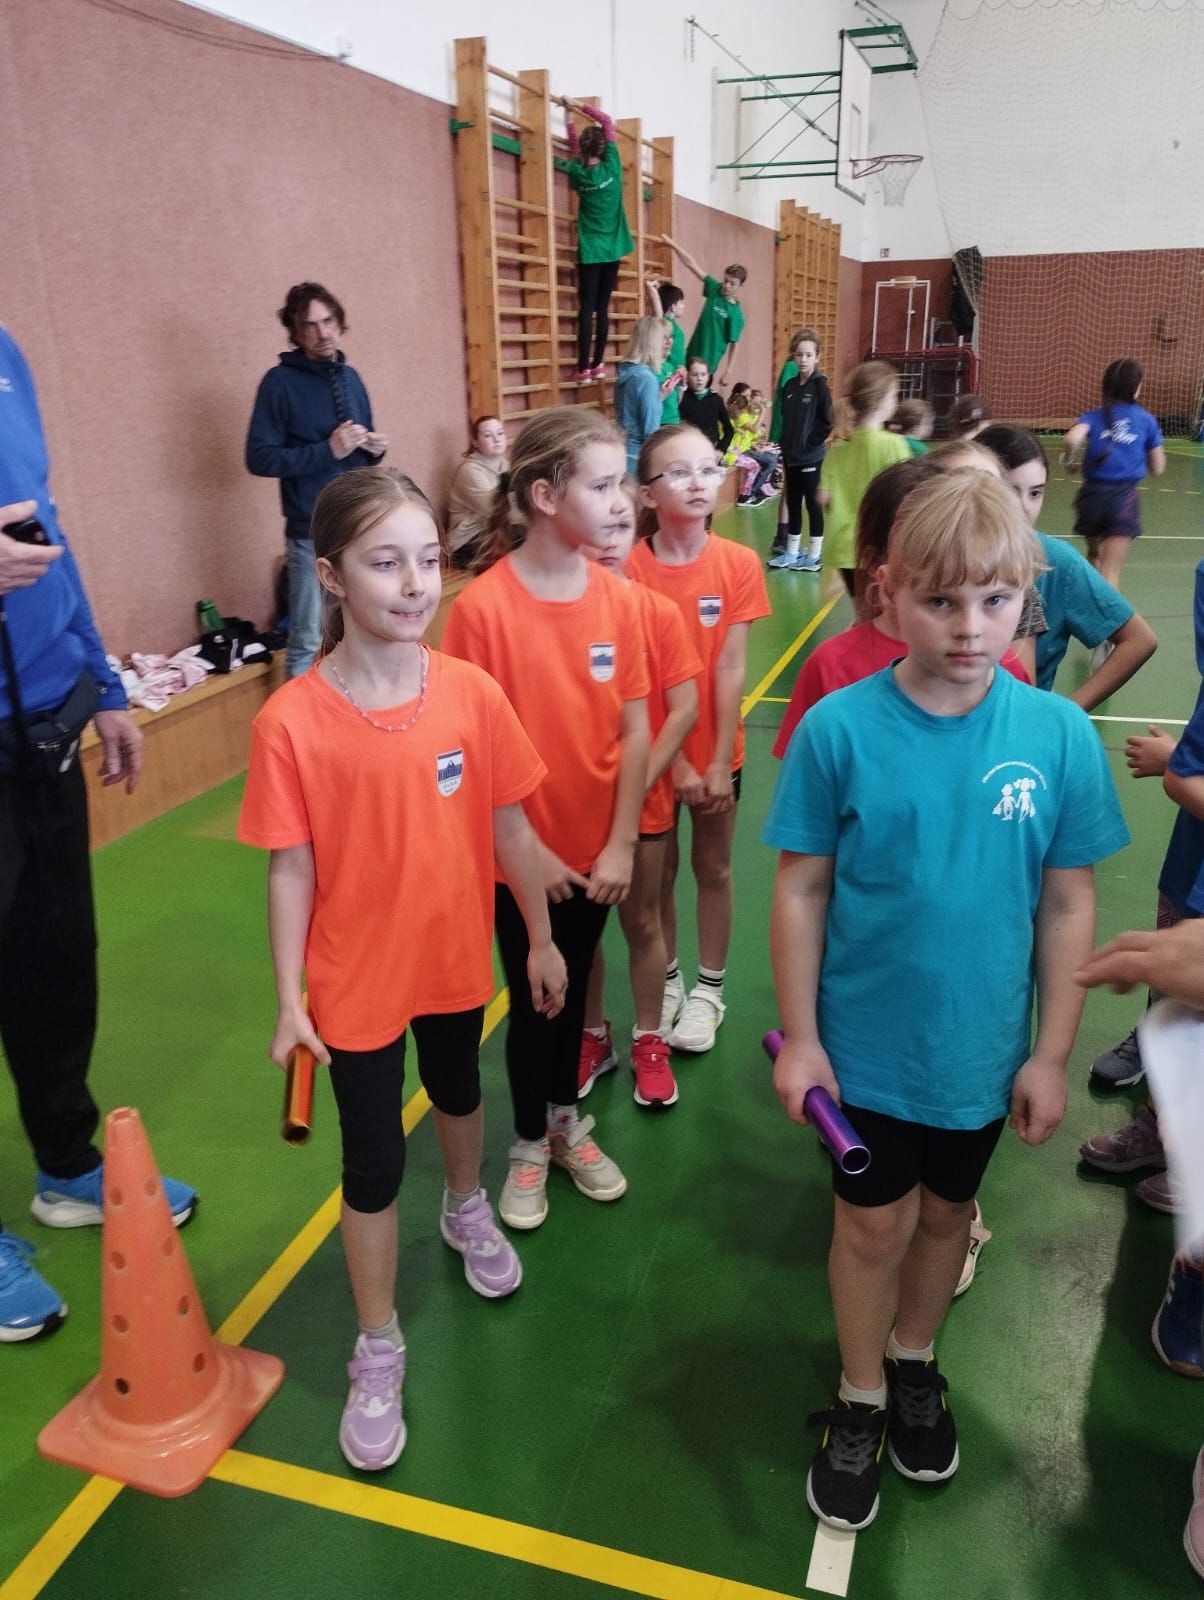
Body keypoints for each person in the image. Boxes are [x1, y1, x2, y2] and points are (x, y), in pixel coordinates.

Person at [765, 469, 1128, 1533]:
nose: (969, 628)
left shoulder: (1057, 735)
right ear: (887, 593)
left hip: (979, 1053)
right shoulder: (838, 730)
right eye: (940, 600)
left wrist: (1049, 1053)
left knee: (945, 1218)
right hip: (864, 1051)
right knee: (869, 1225)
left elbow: (1067, 902)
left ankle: (914, 1359)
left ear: (1028, 598)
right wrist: (804, 1041)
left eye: (995, 600)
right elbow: (800, 889)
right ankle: (860, 1394)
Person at [238, 466, 566, 1469]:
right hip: (354, 982)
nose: (417, 582)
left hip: (455, 955)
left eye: (428, 558)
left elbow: (511, 827)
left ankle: (465, 1204)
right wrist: (288, 998)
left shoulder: (470, 694)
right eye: (387, 563)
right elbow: (290, 869)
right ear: (331, 575)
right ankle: (377, 1342)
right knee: (373, 1160)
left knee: (460, 1089)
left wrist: (540, 935)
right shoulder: (289, 721)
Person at [0, 323, 196, 1344]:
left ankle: (66, 1163)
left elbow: (49, 533)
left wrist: (103, 683)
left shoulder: (7, 354)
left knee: (55, 959)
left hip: (41, 722)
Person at [442, 409, 650, 1231]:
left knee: (575, 987)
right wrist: (528, 854)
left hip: (597, 854)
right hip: (519, 859)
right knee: (537, 1001)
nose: (620, 500)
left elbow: (635, 729)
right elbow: (474, 755)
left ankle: (565, 1122)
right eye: (602, 485)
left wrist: (621, 843)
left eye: (620, 482)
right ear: (544, 495)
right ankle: (530, 1139)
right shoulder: (481, 612)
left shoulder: (620, 602)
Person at [628, 424, 771, 1052]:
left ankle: (710, 990)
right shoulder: (627, 569)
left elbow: (731, 665)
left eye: (708, 468)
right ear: (647, 493)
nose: (698, 482)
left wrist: (714, 761)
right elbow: (636, 677)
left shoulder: (738, 563)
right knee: (655, 879)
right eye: (678, 472)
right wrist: (676, 763)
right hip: (653, 756)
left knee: (713, 867)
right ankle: (666, 980)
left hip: (717, 753)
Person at [580, 483, 700, 1110]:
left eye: (621, 526)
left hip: (645, 801)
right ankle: (592, 1035)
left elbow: (683, 709)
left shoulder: (656, 613)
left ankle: (650, 1038)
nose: (609, 540)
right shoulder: (560, 614)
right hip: (574, 809)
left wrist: (636, 786)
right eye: (597, 526)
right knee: (583, 933)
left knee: (642, 921)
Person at [246, 282, 387, 679]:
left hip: (357, 527)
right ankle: (296, 722)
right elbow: (259, 457)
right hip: (308, 533)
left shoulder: (351, 377)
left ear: (339, 323)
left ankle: (353, 711)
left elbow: (356, 451)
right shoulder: (278, 382)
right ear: (295, 331)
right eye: (310, 325)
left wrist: (374, 448)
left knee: (359, 630)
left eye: (328, 321)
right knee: (307, 640)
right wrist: (328, 450)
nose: (322, 332)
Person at [976, 424, 1157, 715]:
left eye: (1035, 493)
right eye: (1009, 491)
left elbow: (1139, 640)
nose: (1024, 507)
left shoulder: (1056, 562)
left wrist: (1066, 713)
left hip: (1020, 725)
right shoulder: (936, 557)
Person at [1062, 358, 1166, 591]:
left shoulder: (1093, 416)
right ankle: (1106, 613)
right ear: (1136, 387)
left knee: (1094, 556)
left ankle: (1091, 572)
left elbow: (1071, 439)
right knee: (1111, 574)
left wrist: (1070, 462)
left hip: (1091, 498)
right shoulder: (1146, 420)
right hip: (1122, 500)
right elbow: (1158, 468)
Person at [817, 361, 910, 594]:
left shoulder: (838, 448)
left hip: (845, 549)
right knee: (882, 607)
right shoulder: (894, 445)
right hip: (880, 546)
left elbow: (822, 496)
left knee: (863, 606)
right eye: (894, 395)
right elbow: (907, 497)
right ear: (882, 400)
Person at [564, 101, 634, 384]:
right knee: (602, 308)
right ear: (603, 148)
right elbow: (606, 120)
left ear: (584, 150)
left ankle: (582, 369)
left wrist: (567, 116)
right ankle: (598, 364)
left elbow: (573, 149)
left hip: (591, 250)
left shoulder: (577, 172)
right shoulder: (613, 166)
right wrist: (578, 105)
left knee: (587, 308)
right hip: (613, 248)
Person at [768, 329, 834, 571]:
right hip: (791, 456)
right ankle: (792, 552)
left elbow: (827, 421)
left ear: (817, 357)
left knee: (812, 505)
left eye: (808, 355)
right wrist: (786, 444)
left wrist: (810, 443)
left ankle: (814, 555)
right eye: (799, 354)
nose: (803, 359)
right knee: (793, 503)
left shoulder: (820, 387)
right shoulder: (790, 386)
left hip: (810, 457)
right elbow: (785, 418)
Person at [659, 236, 746, 391]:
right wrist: (672, 244)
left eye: (732, 283)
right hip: (691, 355)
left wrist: (728, 371)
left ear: (740, 285)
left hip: (706, 365)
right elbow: (691, 264)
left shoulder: (736, 314)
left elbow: (735, 344)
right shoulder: (715, 288)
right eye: (725, 280)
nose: (726, 286)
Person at [446, 417, 508, 569]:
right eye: (488, 435)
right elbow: (494, 510)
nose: (496, 439)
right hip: (468, 541)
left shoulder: (506, 465)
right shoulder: (470, 471)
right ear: (475, 442)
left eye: (500, 433)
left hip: (494, 532)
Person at [614, 318, 671, 473]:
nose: (666, 343)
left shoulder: (626, 370)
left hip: (622, 448)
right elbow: (650, 430)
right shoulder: (646, 378)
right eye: (663, 338)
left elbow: (631, 409)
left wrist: (658, 397)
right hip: (637, 454)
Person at [726, 387, 779, 507]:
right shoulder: (741, 416)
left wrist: (757, 443)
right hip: (740, 450)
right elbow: (753, 430)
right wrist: (763, 411)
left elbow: (756, 435)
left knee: (773, 457)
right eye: (748, 397)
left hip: (743, 448)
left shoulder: (748, 415)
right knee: (769, 462)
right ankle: (751, 492)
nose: (750, 401)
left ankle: (758, 489)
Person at [645, 278, 688, 424]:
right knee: (666, 414)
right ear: (673, 306)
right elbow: (658, 317)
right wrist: (653, 293)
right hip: (666, 376)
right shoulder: (668, 324)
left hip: (676, 376)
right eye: (681, 302)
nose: (684, 306)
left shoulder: (674, 325)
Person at [679, 358, 734, 455]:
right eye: (694, 374)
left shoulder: (716, 399)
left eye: (703, 374)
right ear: (687, 376)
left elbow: (729, 430)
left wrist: (721, 450)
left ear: (708, 376)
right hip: (686, 450)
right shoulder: (681, 398)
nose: (699, 378)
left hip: (710, 451)